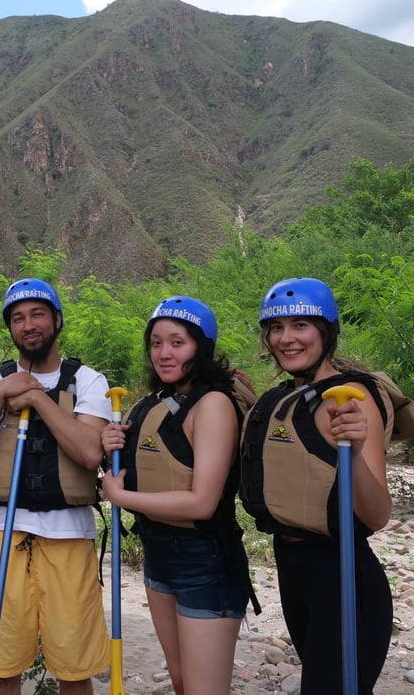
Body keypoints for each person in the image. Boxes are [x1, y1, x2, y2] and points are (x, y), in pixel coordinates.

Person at [239, 277, 395, 695]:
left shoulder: (349, 397)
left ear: (325, 332)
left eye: (300, 326)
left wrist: (358, 450)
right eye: (276, 328)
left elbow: (378, 514)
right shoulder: (284, 396)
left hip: (342, 575)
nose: (286, 338)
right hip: (292, 569)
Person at [0, 278, 111, 695]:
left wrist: (39, 399)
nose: (28, 325)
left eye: (38, 314)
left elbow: (89, 454)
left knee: (74, 667)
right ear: (10, 329)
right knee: (3, 661)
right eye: (18, 318)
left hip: (70, 534)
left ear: (57, 320)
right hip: (5, 532)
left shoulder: (89, 381)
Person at [100, 295, 258, 695]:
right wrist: (112, 444)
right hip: (159, 556)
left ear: (201, 347)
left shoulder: (214, 404)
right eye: (156, 343)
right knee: (183, 682)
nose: (163, 353)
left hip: (205, 561)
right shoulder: (148, 404)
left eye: (177, 342)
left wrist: (122, 499)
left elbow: (202, 502)